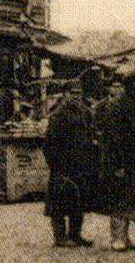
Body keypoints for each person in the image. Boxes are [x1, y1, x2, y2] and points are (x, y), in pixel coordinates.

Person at [96, 74, 135, 251]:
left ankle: (125, 237)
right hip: (120, 160)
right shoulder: (118, 106)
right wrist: (117, 164)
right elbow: (113, 137)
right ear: (132, 85)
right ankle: (117, 238)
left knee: (130, 198)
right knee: (119, 199)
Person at [42, 75, 98, 248]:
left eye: (79, 93)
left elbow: (91, 135)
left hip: (81, 164)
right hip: (63, 165)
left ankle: (75, 234)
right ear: (65, 94)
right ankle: (60, 237)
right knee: (59, 202)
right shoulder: (58, 114)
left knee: (79, 201)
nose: (76, 96)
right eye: (72, 93)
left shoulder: (86, 112)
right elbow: (49, 143)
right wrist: (55, 166)